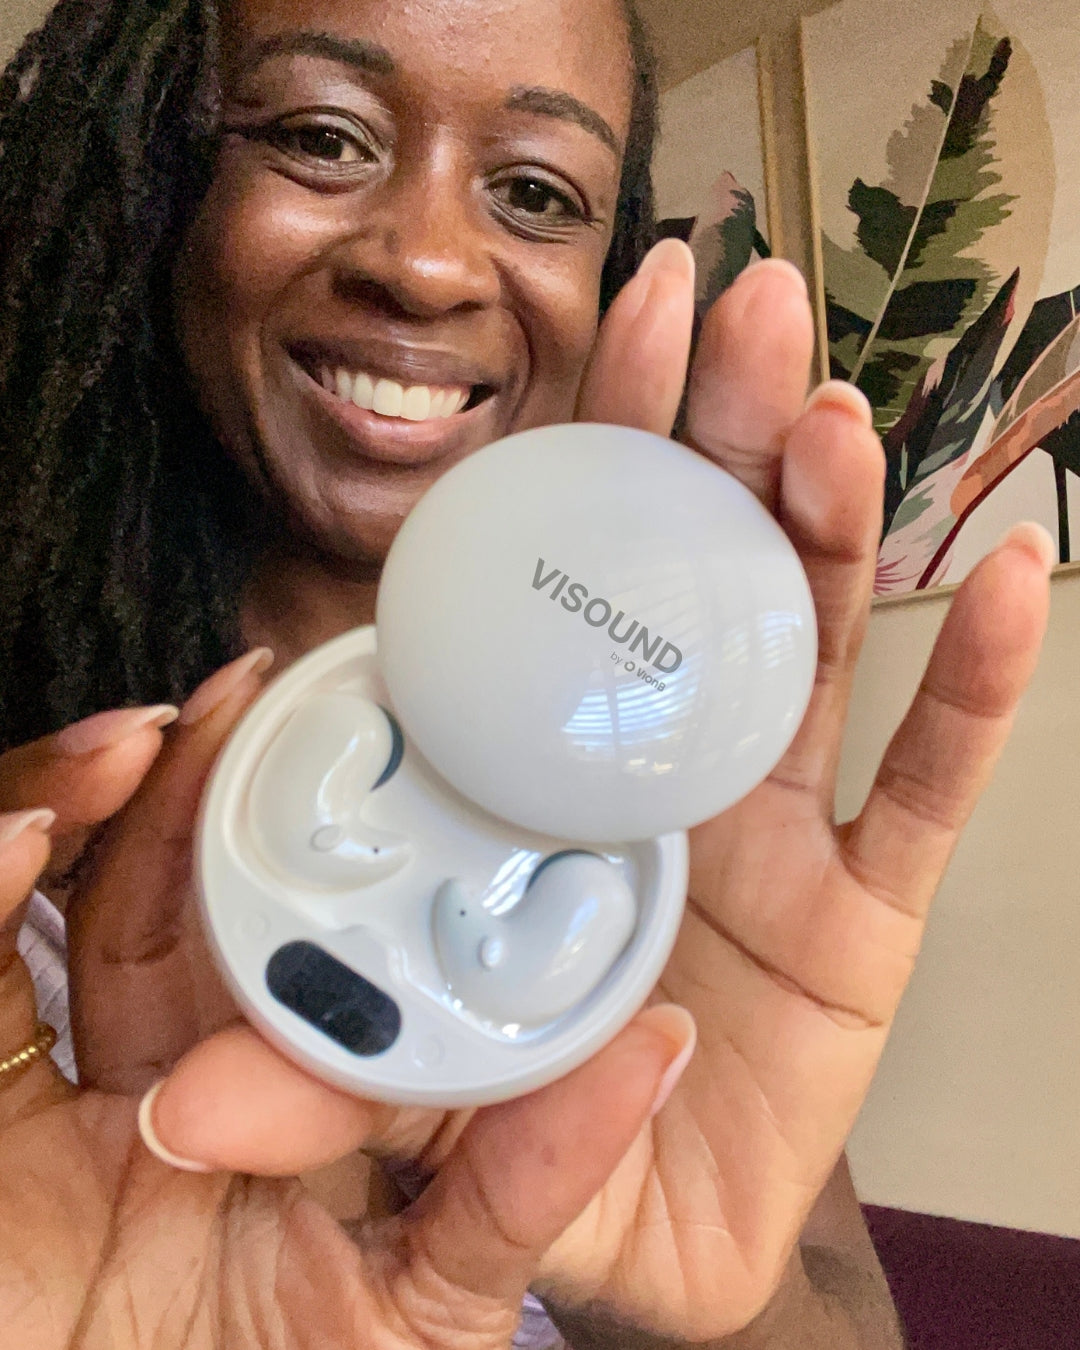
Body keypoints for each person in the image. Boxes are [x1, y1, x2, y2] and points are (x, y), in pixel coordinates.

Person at [0, 0, 1052, 1345]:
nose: (431, 264)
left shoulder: (632, 821)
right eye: (324, 135)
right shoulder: (32, 832)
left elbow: (831, 1309)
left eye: (538, 192)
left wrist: (678, 1267)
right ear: (160, 184)